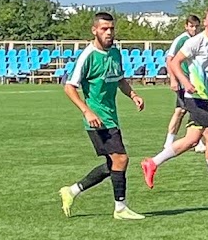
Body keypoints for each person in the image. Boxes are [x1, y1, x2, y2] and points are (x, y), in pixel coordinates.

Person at [140, 7, 208, 194]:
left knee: (191, 140)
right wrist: (185, 81)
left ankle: (152, 163)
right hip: (194, 96)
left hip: (207, 95)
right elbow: (174, 62)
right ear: (205, 22)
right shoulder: (195, 42)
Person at [59, 12, 145, 220]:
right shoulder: (87, 56)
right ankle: (120, 208)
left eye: (111, 29)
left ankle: (71, 191)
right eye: (104, 29)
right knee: (121, 158)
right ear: (94, 30)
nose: (109, 33)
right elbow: (69, 87)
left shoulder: (115, 53)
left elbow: (119, 79)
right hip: (97, 119)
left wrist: (133, 94)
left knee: (113, 164)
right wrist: (87, 111)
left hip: (111, 116)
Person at [163, 15, 205, 153]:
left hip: (193, 81)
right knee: (183, 110)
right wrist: (173, 79)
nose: (194, 29)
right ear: (186, 26)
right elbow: (170, 59)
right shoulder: (181, 40)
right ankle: (176, 142)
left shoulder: (198, 40)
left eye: (196, 26)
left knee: (186, 110)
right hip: (183, 80)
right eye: (191, 26)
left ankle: (193, 141)